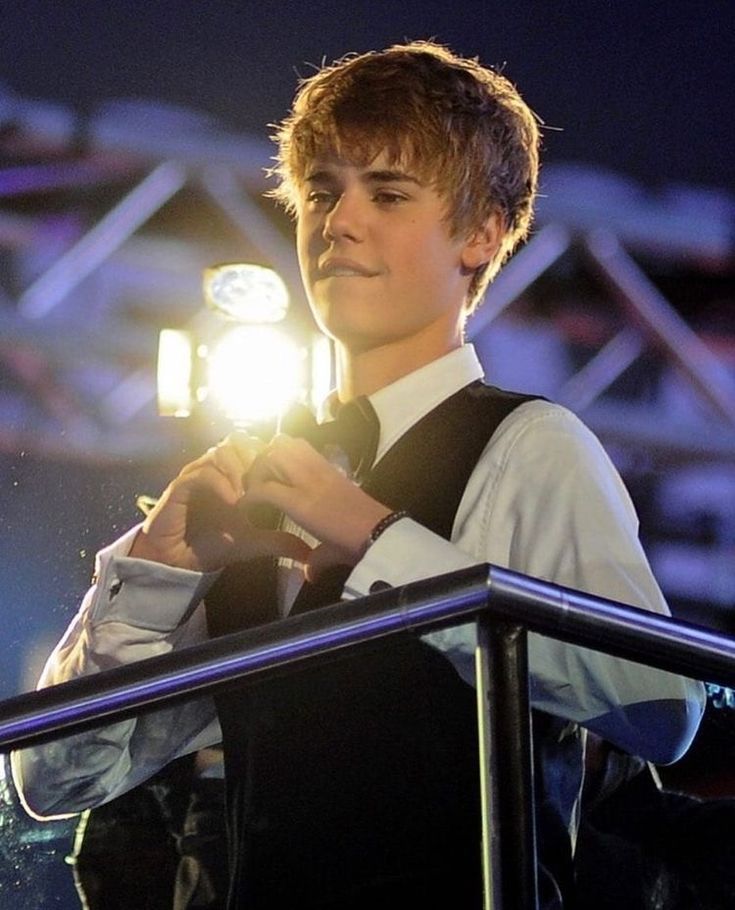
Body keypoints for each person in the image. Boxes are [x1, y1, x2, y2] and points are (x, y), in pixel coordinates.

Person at [12, 41, 704, 908]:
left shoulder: (533, 444)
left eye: (387, 194)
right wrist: (157, 569)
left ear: (483, 232)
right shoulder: (258, 468)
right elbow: (52, 778)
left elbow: (660, 707)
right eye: (322, 191)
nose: (338, 221)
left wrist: (376, 540)